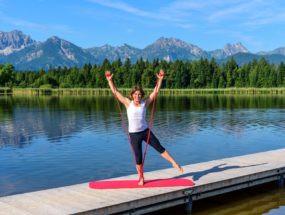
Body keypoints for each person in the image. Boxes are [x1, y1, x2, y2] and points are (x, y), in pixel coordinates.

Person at [106, 69, 183, 186]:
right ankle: (141, 177)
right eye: (135, 94)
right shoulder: (128, 103)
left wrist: (160, 79)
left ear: (141, 95)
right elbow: (115, 92)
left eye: (139, 94)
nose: (137, 96)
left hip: (145, 132)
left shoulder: (144, 103)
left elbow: (155, 92)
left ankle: (174, 163)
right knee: (138, 158)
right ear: (132, 95)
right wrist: (110, 80)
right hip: (134, 134)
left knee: (159, 147)